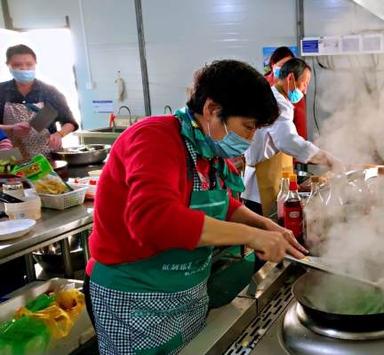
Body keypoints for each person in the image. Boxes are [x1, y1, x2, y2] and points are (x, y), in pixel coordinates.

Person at [83, 60, 307, 354]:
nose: (250, 138)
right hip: (134, 298)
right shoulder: (154, 138)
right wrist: (250, 236)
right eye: (248, 127)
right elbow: (154, 220)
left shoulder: (207, 149)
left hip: (187, 295)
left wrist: (264, 225)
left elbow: (217, 204)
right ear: (213, 110)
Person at [243, 58, 340, 216]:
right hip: (261, 187)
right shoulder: (277, 104)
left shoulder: (276, 99)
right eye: (305, 83)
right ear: (290, 79)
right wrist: (329, 159)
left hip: (265, 183)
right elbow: (288, 141)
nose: (305, 90)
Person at [0, 44, 78, 159]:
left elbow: (70, 122)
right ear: (8, 65)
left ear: (35, 64)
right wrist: (11, 128)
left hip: (47, 157)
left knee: (48, 178)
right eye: (17, 65)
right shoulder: (2, 91)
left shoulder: (49, 91)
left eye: (29, 64)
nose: (24, 68)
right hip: (10, 157)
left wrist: (59, 134)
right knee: (14, 176)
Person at [264, 46, 308, 140]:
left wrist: (301, 145)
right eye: (283, 64)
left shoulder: (295, 89)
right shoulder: (261, 84)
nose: (287, 68)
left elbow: (300, 121)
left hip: (288, 141)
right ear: (273, 65)